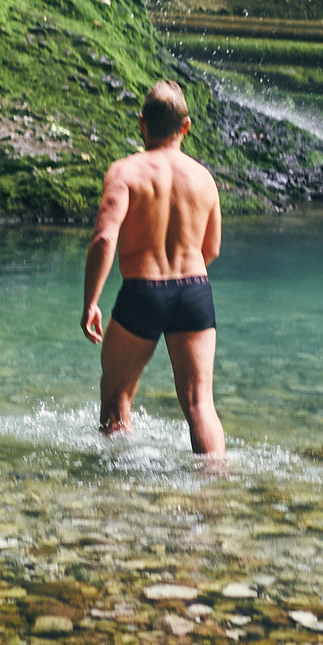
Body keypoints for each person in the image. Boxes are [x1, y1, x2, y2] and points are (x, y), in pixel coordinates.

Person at [79, 79, 226, 454]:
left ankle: (124, 493)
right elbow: (212, 249)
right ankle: (214, 490)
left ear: (142, 123)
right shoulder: (203, 178)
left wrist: (91, 303)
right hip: (194, 291)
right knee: (199, 404)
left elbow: (103, 238)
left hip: (142, 292)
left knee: (116, 399)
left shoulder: (126, 172)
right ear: (186, 126)